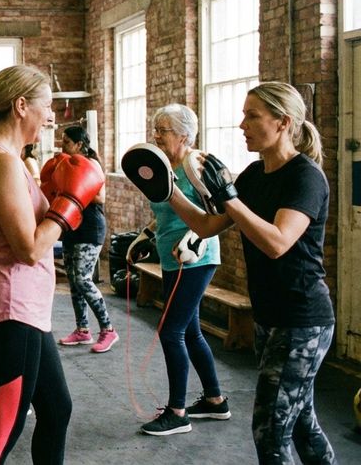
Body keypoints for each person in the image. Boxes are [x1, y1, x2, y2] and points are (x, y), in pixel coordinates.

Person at [165, 83, 335, 463]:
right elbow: (209, 226)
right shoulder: (254, 173)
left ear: (283, 122)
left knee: (271, 432)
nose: (242, 124)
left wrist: (231, 198)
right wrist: (167, 191)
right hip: (269, 316)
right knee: (302, 420)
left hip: (302, 319)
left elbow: (277, 242)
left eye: (252, 115)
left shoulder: (304, 177)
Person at [0, 64, 103, 464]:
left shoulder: (8, 159)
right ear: (21, 105)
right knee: (1, 430)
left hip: (25, 312)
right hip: (10, 311)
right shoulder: (0, 162)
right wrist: (69, 204)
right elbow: (29, 248)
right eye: (47, 106)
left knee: (56, 411)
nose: (51, 116)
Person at [125, 104, 229, 436]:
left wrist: (193, 238)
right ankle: (215, 401)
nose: (155, 135)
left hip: (196, 259)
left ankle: (177, 412)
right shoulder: (165, 168)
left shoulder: (195, 166)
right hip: (172, 259)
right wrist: (146, 236)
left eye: (163, 130)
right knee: (191, 331)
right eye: (154, 128)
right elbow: (167, 211)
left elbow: (218, 212)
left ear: (184, 135)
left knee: (171, 331)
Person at [55, 126, 118, 353]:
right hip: (72, 226)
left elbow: (100, 197)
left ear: (79, 144)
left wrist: (76, 188)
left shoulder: (92, 164)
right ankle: (83, 330)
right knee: (73, 281)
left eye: (66, 143)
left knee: (83, 280)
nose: (62, 146)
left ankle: (108, 329)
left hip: (90, 229)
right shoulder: (67, 164)